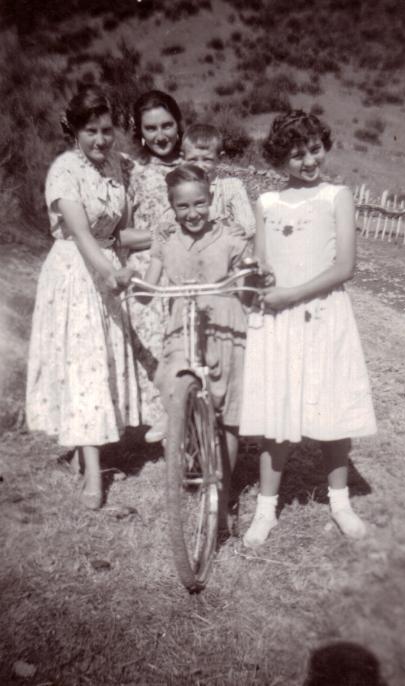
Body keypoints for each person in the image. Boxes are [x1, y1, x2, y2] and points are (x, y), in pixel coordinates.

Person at [239, 109, 377, 546]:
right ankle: (266, 510)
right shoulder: (267, 203)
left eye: (315, 149)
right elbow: (263, 261)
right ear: (280, 157)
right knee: (277, 413)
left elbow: (345, 267)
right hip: (279, 319)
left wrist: (292, 294)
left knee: (332, 408)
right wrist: (256, 276)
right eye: (297, 155)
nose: (309, 161)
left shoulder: (337, 196)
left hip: (323, 314)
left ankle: (340, 503)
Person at [26, 85, 139, 510]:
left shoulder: (115, 168)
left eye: (107, 130)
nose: (101, 139)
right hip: (75, 271)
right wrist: (108, 273)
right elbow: (81, 233)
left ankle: (83, 453)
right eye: (91, 130)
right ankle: (93, 472)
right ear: (74, 130)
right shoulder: (64, 169)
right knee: (84, 364)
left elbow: (120, 231)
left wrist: (163, 240)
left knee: (99, 361)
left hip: (106, 265)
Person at [143, 164, 250, 517]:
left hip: (225, 324)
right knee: (174, 382)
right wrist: (129, 280)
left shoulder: (230, 234)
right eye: (183, 206)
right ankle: (187, 446)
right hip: (183, 325)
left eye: (200, 203)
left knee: (227, 413)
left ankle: (223, 492)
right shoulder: (165, 238)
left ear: (211, 199)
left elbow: (247, 277)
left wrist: (255, 273)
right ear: (172, 207)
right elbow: (147, 289)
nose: (193, 213)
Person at [118, 90, 183, 435]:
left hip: (192, 270)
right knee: (156, 349)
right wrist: (162, 233)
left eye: (167, 125)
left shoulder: (198, 166)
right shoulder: (134, 173)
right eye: (151, 128)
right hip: (151, 274)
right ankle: (165, 426)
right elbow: (121, 235)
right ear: (140, 132)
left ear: (178, 124)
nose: (161, 135)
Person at [181, 123, 255, 239]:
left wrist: (242, 229)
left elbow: (249, 224)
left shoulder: (233, 186)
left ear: (219, 158)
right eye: (193, 160)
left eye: (207, 159)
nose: (200, 166)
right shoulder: (179, 190)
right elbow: (171, 220)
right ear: (183, 159)